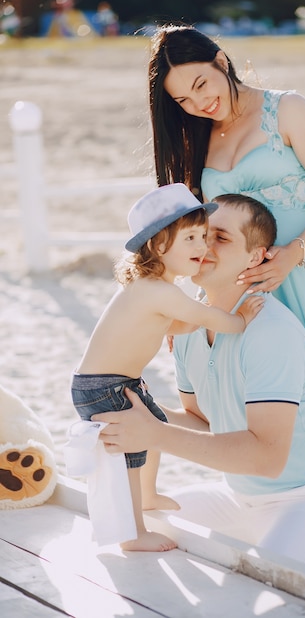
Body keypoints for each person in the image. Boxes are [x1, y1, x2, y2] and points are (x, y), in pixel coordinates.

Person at [147, 24, 305, 586]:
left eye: (203, 83)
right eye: (183, 98)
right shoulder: (196, 137)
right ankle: (282, 506)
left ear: (223, 60)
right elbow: (202, 233)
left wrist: (291, 256)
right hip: (245, 284)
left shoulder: (286, 110)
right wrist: (191, 303)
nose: (200, 102)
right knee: (263, 393)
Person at [93, 194, 305, 578]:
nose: (204, 246)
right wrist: (138, 414)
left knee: (269, 587)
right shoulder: (187, 327)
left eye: (220, 238)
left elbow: (266, 457)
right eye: (201, 234)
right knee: (132, 525)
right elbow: (204, 423)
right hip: (239, 499)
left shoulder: (270, 331)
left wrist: (154, 433)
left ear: (256, 257)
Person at [71, 183, 263, 552]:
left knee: (153, 429)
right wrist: (239, 319)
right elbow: (205, 316)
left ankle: (148, 496)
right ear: (159, 245)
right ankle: (132, 533)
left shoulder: (150, 286)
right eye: (190, 237)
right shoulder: (161, 291)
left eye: (204, 236)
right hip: (105, 386)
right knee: (130, 455)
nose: (202, 247)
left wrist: (179, 325)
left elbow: (179, 322)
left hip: (114, 382)